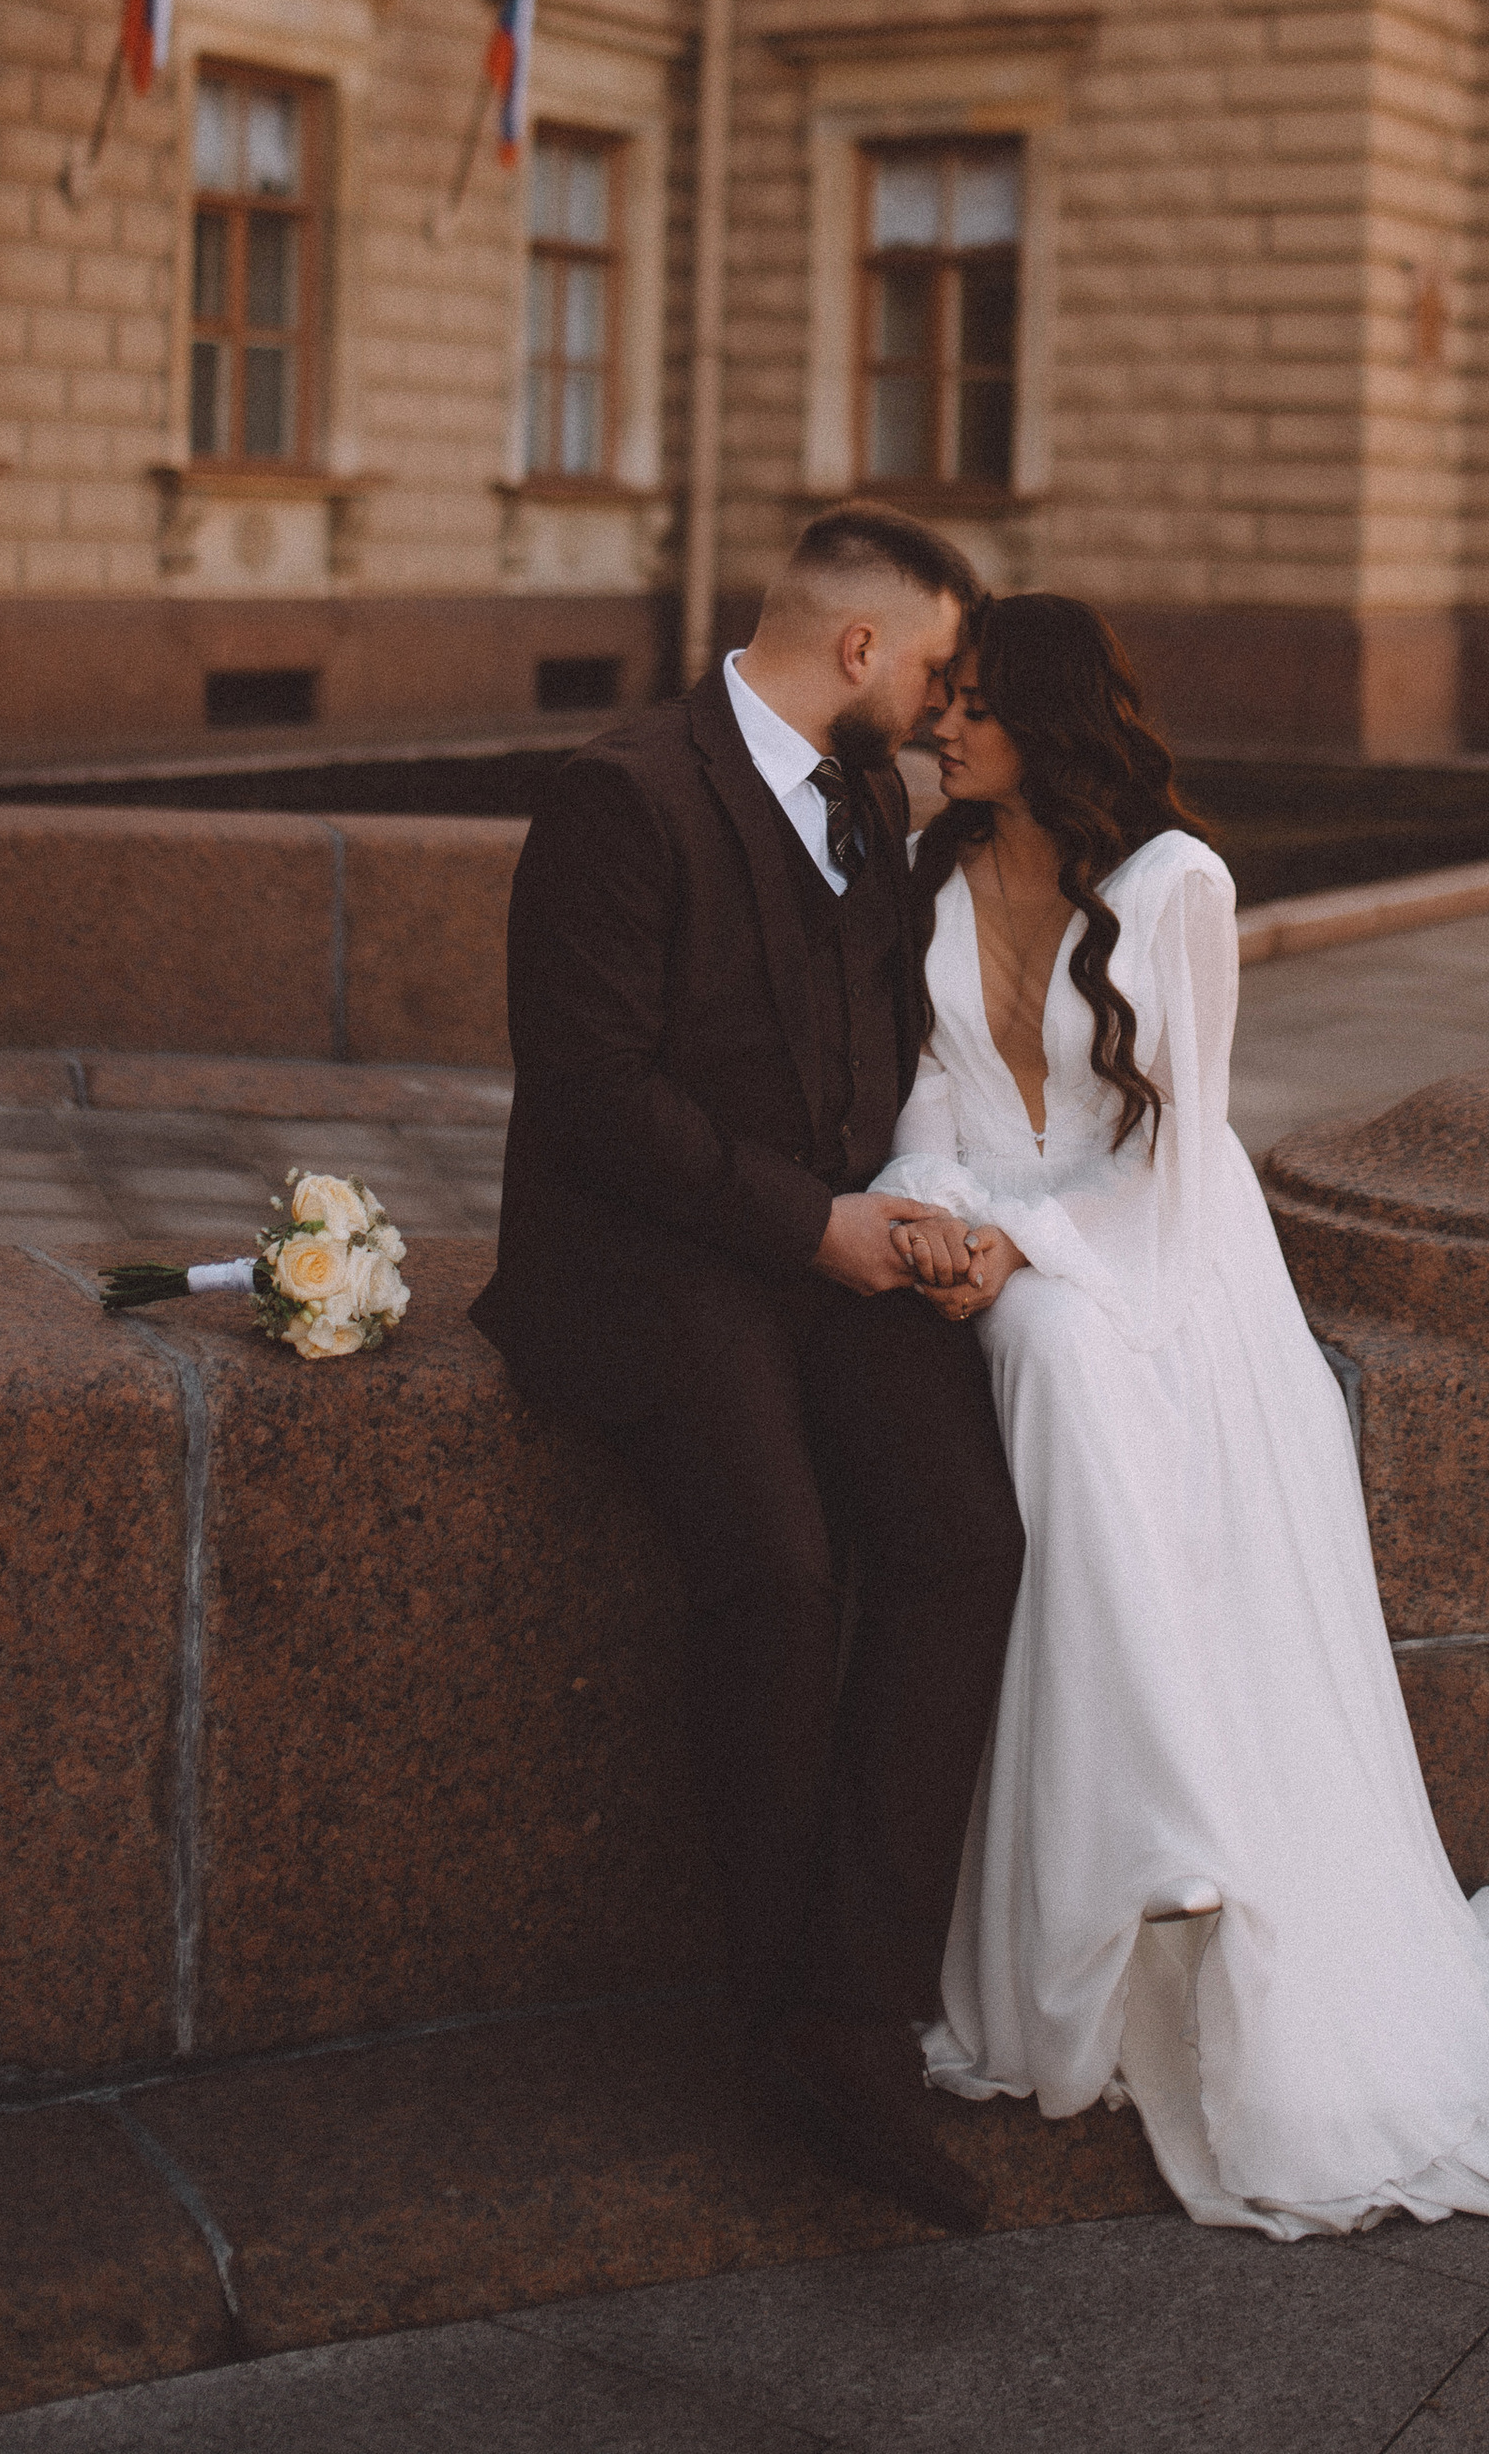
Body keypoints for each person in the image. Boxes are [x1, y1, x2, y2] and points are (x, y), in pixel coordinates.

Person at [876, 592, 1489, 2238]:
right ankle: (1129, 1871)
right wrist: (930, 1214)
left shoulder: (1180, 885)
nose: (938, 729)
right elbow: (926, 1094)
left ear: (1046, 715)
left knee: (1057, 1361)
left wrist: (1015, 1252)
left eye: (969, 703)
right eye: (938, 701)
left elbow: (1169, 1167)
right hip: (989, 1235)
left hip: (1163, 1260)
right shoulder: (934, 878)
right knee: (1041, 1354)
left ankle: (1184, 1844)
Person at [472, 504, 1021, 2234]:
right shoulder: (620, 797)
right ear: (859, 650)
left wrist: (926, 1218)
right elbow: (593, 1093)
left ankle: (859, 1989)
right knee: (779, 1579)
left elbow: (887, 1044)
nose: (945, 714)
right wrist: (815, 1229)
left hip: (828, 1250)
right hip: (653, 1262)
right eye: (934, 671)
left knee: (962, 1542)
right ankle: (792, 2021)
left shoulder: (869, 794)